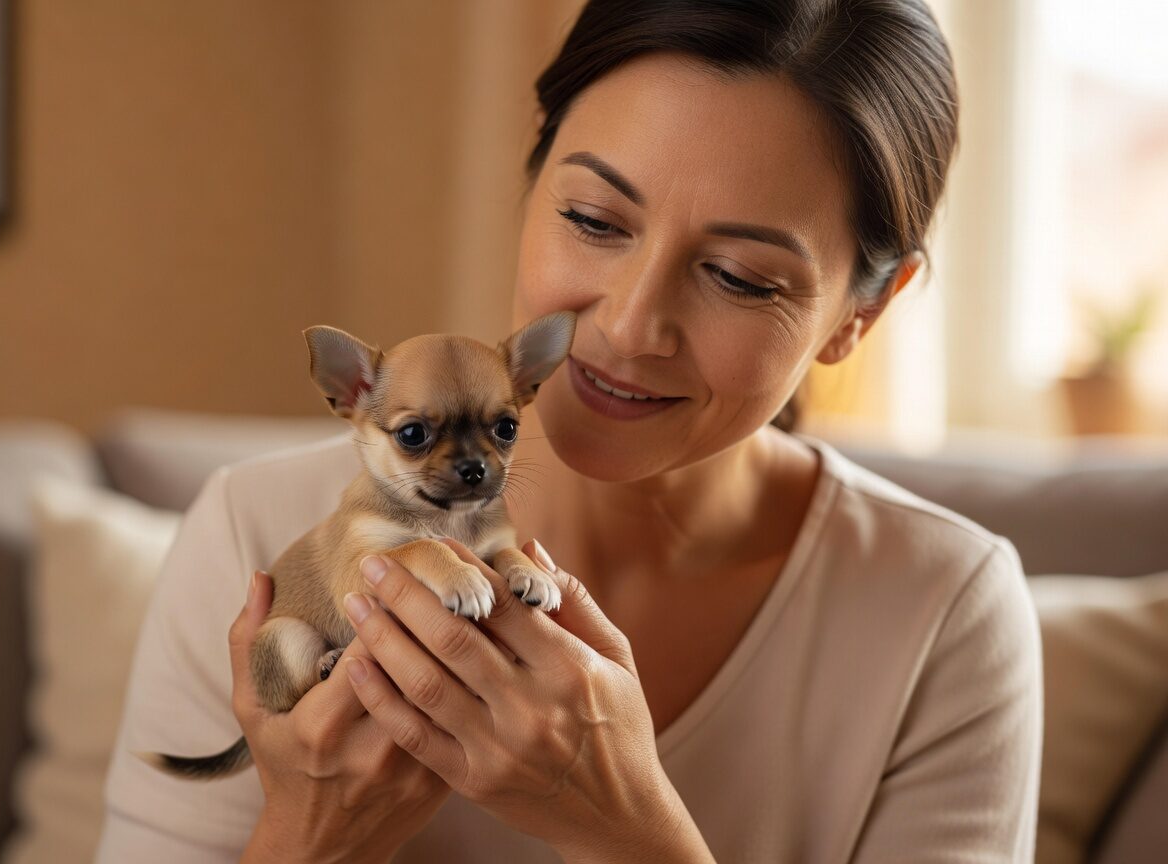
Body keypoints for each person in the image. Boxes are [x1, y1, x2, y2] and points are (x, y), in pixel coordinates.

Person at [97, 1, 1043, 861]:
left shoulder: (943, 614)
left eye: (742, 277)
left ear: (859, 318)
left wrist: (630, 827)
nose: (629, 326)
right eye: (592, 219)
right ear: (531, 177)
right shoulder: (252, 538)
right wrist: (310, 834)